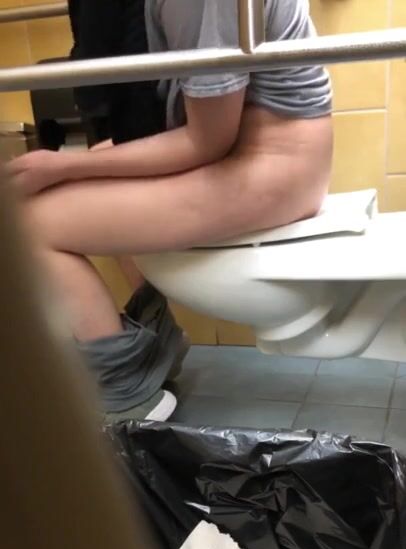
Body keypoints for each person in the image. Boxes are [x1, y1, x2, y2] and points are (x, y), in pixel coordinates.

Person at [6, 0, 333, 423]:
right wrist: (73, 167)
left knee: (26, 225)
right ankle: (157, 343)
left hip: (276, 164)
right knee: (92, 176)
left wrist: (62, 166)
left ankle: (125, 397)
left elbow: (206, 141)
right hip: (246, 148)